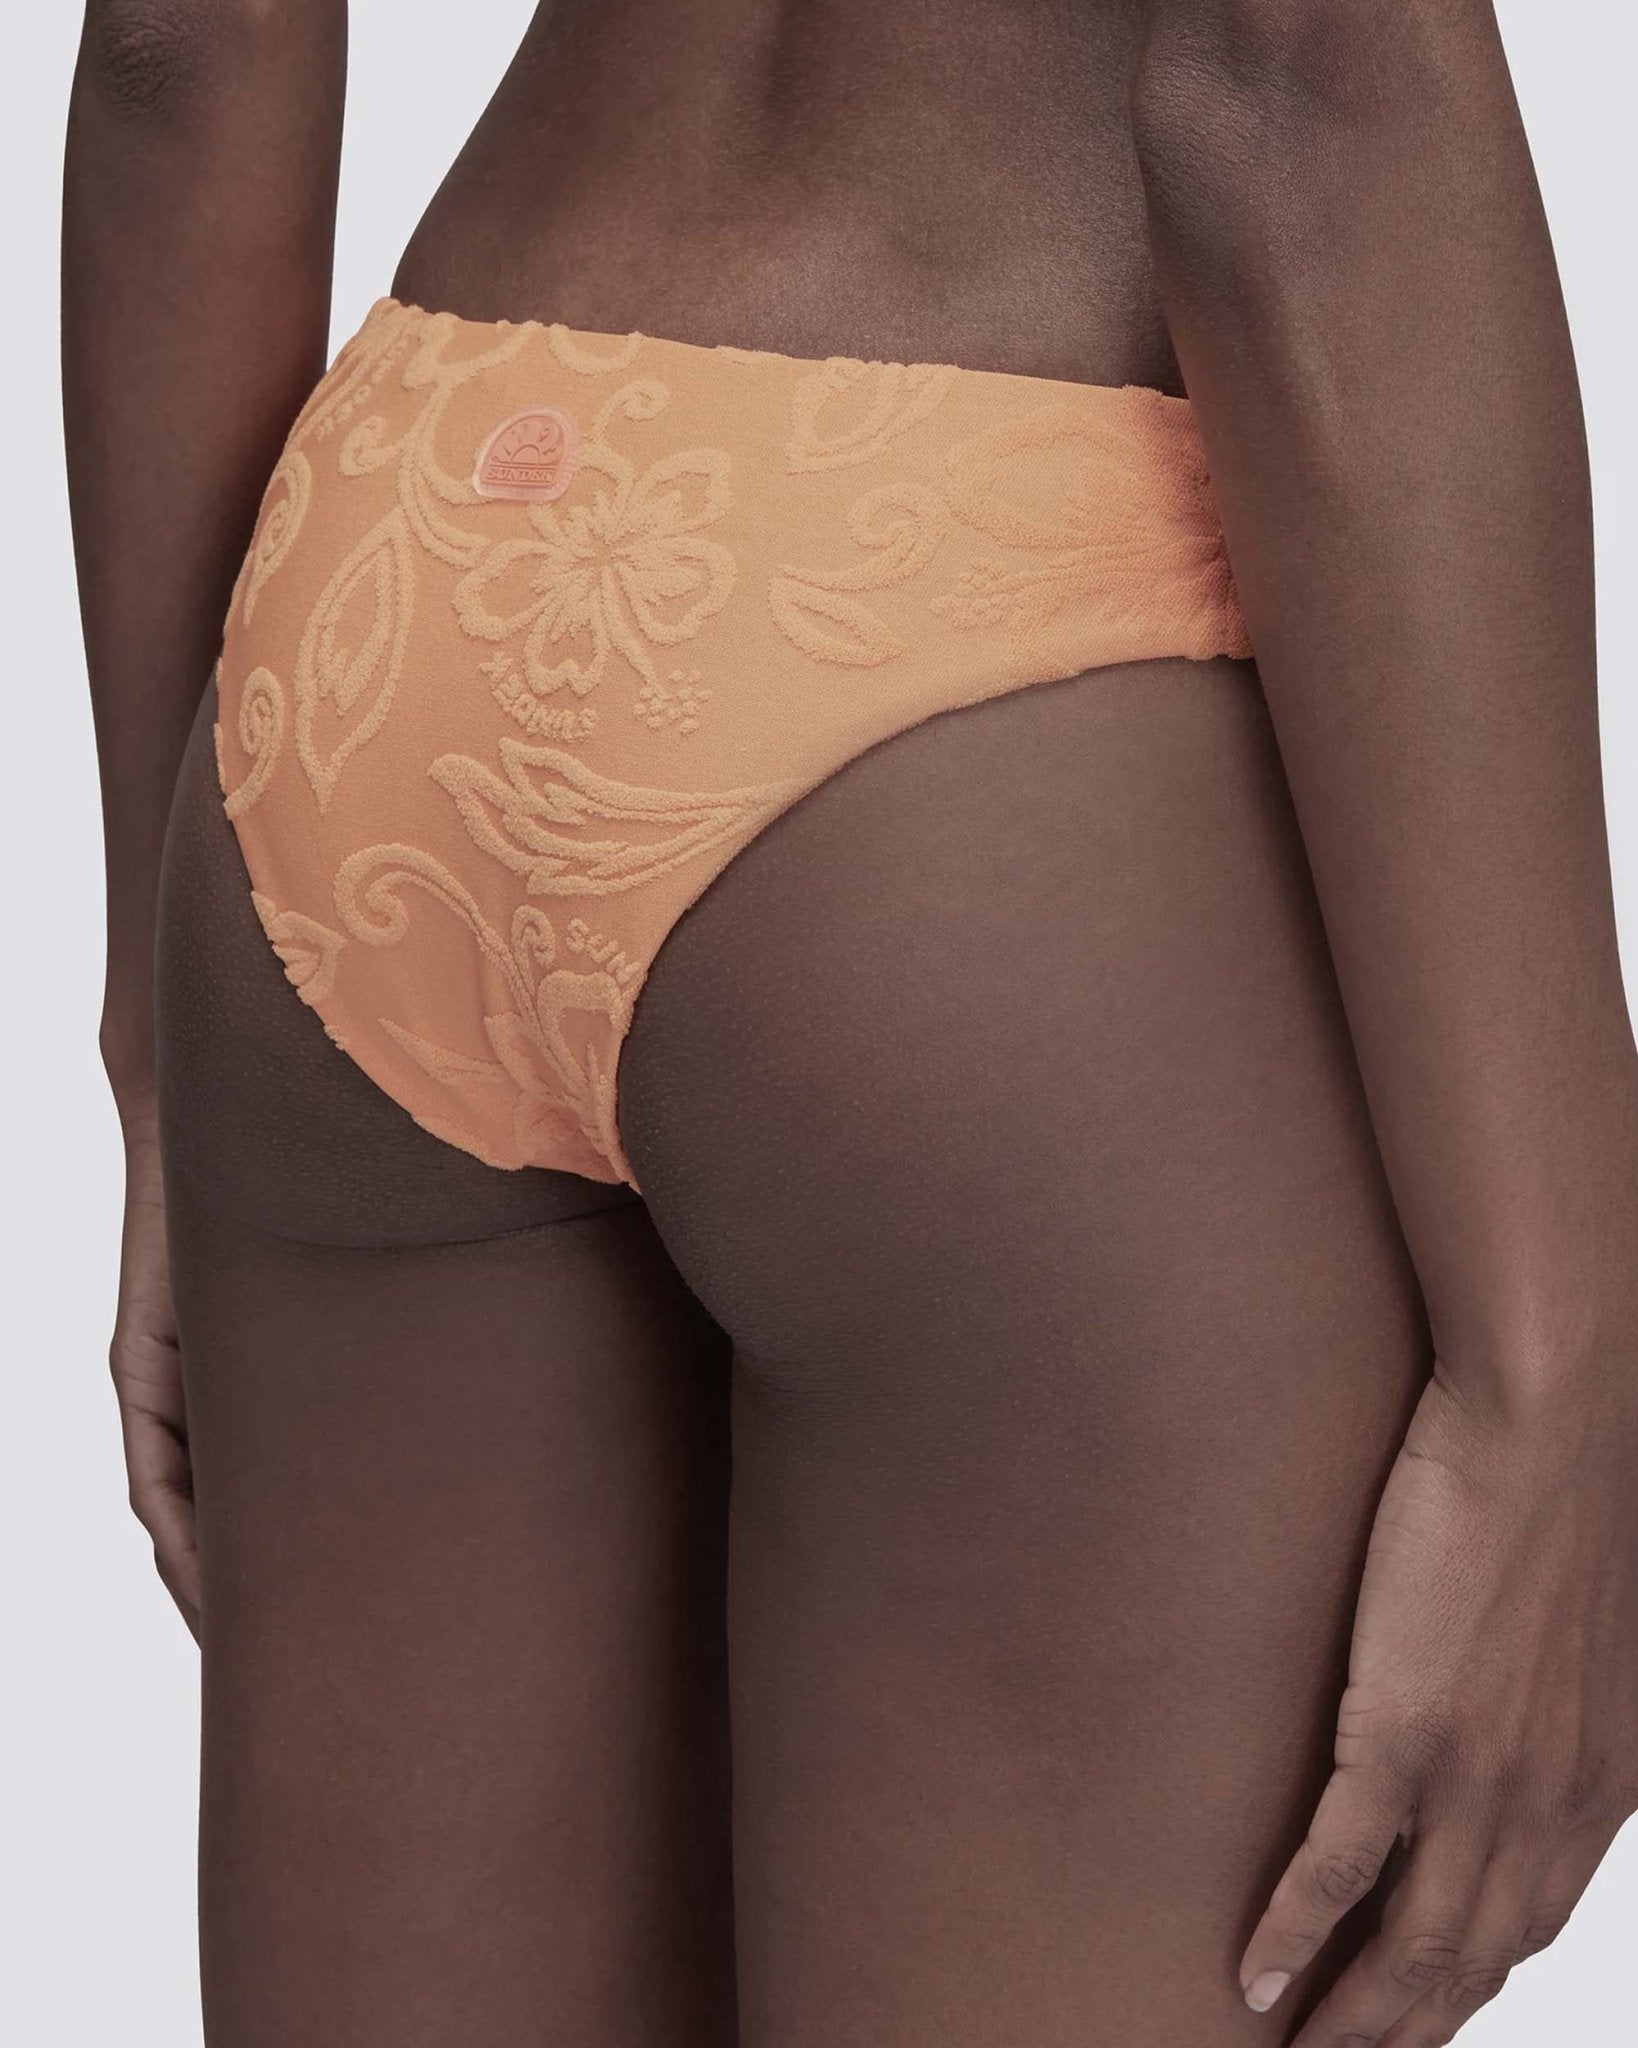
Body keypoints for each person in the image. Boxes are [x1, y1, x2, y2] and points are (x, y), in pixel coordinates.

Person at [62, 1, 1637, 2042]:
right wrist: (1570, 1357)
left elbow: (181, 47)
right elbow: (1296, 65)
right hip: (991, 644)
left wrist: (169, 1040)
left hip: (397, 575)